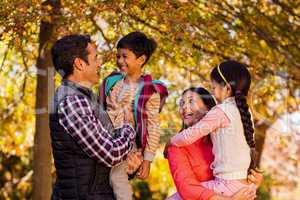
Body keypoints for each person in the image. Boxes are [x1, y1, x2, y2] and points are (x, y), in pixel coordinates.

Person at [49, 34, 136, 200]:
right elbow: (110, 153)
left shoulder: (88, 100)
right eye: (95, 57)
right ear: (79, 64)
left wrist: (129, 167)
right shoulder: (72, 102)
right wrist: (129, 127)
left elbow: (106, 156)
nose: (100, 63)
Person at [169, 61, 261, 198]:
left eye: (190, 101)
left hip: (227, 186)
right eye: (181, 103)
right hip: (236, 187)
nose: (184, 107)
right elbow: (187, 188)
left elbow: (188, 136)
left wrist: (170, 141)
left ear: (208, 109)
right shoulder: (243, 113)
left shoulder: (220, 112)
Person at [99, 31, 168, 200]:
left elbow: (152, 126)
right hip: (104, 140)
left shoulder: (149, 91)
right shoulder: (112, 82)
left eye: (125, 56)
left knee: (117, 178)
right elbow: (100, 109)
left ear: (141, 59)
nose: (120, 61)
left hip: (129, 146)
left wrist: (147, 160)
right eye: (118, 56)